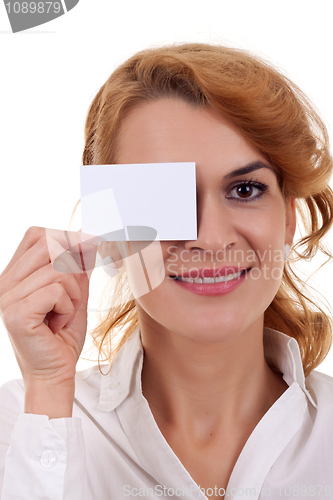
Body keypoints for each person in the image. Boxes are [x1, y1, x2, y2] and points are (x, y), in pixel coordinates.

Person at [1, 42, 333, 500]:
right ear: (111, 223)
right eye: (162, 196)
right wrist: (49, 393)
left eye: (245, 189)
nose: (210, 239)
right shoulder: (22, 422)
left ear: (290, 219)